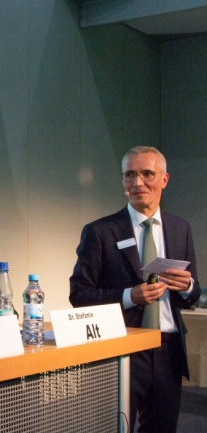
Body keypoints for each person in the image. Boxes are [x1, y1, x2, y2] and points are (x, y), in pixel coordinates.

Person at [69, 146, 200, 433]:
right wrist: (130, 296)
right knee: (115, 427)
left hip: (167, 350)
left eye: (147, 174)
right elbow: (79, 294)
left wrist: (187, 286)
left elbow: (192, 294)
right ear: (122, 181)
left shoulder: (180, 228)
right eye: (129, 175)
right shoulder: (101, 231)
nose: (137, 182)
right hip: (123, 348)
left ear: (164, 179)